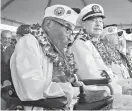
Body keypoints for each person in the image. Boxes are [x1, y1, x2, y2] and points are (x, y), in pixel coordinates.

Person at [10, 5, 82, 110]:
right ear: (48, 24)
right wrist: (70, 90)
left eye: (71, 31)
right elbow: (34, 88)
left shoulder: (56, 47)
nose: (70, 37)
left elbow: (68, 76)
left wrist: (75, 84)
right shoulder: (28, 42)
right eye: (67, 29)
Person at [71, 3, 132, 109]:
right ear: (83, 24)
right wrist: (122, 87)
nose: (98, 24)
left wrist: (122, 83)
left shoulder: (93, 43)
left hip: (107, 92)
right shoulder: (80, 44)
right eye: (93, 21)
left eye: (100, 21)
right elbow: (91, 76)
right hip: (98, 96)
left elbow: (106, 70)